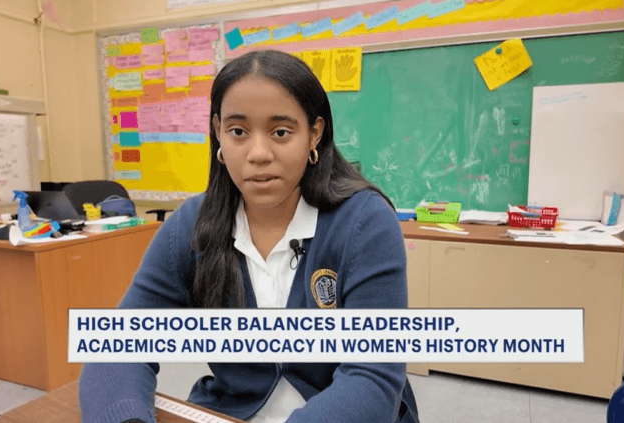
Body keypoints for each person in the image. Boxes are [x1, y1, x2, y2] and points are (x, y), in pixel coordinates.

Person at [79, 49, 419, 423]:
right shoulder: (191, 224)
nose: (258, 153)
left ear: (314, 135)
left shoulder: (364, 223)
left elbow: (372, 379)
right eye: (238, 131)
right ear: (218, 135)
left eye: (281, 132)